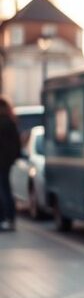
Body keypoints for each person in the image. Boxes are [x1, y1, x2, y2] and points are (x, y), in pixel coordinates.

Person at [0, 97, 21, 232]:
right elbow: (17, 145)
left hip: (2, 162)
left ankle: (5, 218)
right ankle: (10, 218)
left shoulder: (2, 123)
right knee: (6, 189)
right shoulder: (11, 122)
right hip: (6, 163)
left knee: (3, 190)